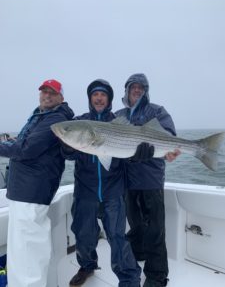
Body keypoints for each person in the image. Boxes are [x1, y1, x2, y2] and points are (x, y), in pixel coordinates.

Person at [62, 79, 141, 287]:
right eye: (95, 94)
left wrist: (140, 153)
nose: (98, 98)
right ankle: (87, 266)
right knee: (83, 234)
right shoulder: (79, 121)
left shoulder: (120, 122)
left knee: (117, 237)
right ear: (90, 99)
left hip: (113, 190)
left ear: (109, 100)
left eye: (103, 95)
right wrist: (68, 147)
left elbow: (130, 154)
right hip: (84, 189)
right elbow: (66, 153)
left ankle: (129, 278)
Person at [0, 79, 74, 287]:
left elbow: (25, 150)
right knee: (21, 250)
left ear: (61, 97)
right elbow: (22, 143)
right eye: (44, 92)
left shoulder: (55, 119)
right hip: (24, 191)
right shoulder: (41, 115)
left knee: (27, 252)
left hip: (31, 192)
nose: (47, 96)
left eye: (52, 93)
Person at [115, 73, 180, 287]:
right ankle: (139, 253)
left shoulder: (156, 111)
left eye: (141, 87)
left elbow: (169, 135)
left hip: (151, 180)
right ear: (126, 90)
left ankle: (157, 276)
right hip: (128, 182)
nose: (136, 89)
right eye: (132, 86)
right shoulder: (119, 115)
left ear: (146, 90)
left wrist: (167, 149)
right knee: (135, 224)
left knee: (155, 230)